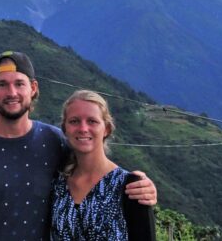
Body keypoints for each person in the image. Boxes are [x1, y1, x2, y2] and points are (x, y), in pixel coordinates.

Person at [0, 51, 157, 240]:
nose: (12, 93)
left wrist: (140, 185)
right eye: (2, 84)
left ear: (33, 88)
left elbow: (92, 165)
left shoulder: (54, 141)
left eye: (19, 83)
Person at [51, 90, 155, 240]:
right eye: (74, 121)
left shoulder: (129, 187)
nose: (83, 128)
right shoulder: (57, 184)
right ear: (65, 129)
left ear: (106, 129)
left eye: (92, 121)